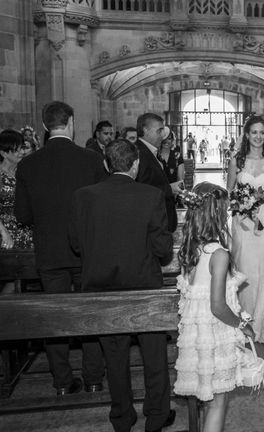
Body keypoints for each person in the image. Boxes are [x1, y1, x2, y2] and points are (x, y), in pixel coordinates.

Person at [69, 139, 175, 432]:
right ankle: (156, 415)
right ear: (136, 164)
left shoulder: (83, 197)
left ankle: (122, 417)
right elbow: (163, 248)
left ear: (106, 164)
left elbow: (76, 244)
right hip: (144, 286)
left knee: (114, 359)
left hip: (102, 288)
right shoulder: (150, 195)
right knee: (154, 356)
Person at [14, 101, 105, 395]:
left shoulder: (28, 164)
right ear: (71, 123)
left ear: (44, 127)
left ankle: (63, 382)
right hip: (86, 250)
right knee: (89, 315)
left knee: (55, 319)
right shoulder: (90, 159)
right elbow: (101, 208)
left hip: (49, 253)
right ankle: (93, 378)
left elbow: (22, 216)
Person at [174, 182, 257, 432]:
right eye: (223, 210)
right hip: (215, 335)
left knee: (207, 399)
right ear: (215, 213)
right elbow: (218, 306)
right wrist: (243, 325)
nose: (226, 214)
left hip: (197, 336)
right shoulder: (219, 254)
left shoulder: (191, 249)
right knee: (219, 402)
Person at [226, 116, 264, 344]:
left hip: (263, 219)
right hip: (243, 222)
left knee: (263, 267)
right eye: (254, 132)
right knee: (244, 267)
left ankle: (263, 323)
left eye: (262, 132)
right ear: (246, 134)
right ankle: (242, 321)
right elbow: (230, 191)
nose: (258, 136)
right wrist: (241, 204)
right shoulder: (237, 160)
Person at [136, 113, 177, 232]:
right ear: (145, 130)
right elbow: (142, 189)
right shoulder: (139, 153)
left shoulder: (150, 151)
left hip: (160, 221)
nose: (162, 136)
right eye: (159, 131)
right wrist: (169, 189)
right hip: (153, 223)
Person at [0, 130, 33, 250]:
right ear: (4, 153)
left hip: (29, 232)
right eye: (16, 149)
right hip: (6, 236)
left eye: (22, 148)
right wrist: (4, 233)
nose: (22, 152)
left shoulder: (25, 172)